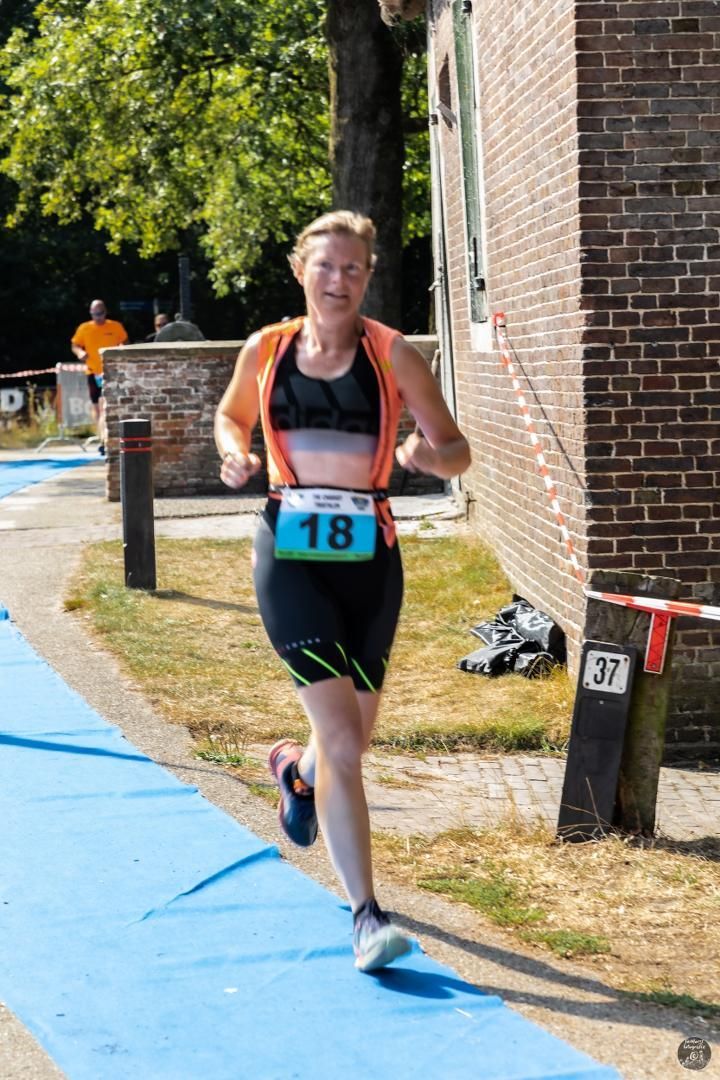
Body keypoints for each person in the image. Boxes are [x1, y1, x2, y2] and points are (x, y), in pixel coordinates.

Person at [214, 211, 470, 972]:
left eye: (352, 270)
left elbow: (459, 451)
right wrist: (237, 453)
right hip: (289, 552)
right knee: (347, 746)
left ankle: (295, 772)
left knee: (348, 739)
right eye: (325, 267)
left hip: (370, 559)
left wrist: (429, 455)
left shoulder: (395, 356)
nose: (338, 281)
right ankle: (366, 916)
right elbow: (231, 419)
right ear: (302, 272)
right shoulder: (266, 349)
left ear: (367, 277)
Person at [70, 299, 128, 453]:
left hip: (110, 372)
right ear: (91, 313)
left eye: (101, 313)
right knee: (97, 408)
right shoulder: (84, 328)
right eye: (95, 314)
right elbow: (75, 345)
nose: (98, 317)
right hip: (92, 371)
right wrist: (80, 352)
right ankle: (102, 435)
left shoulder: (115, 326)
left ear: (105, 312)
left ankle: (105, 439)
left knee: (105, 406)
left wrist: (121, 351)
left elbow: (125, 342)